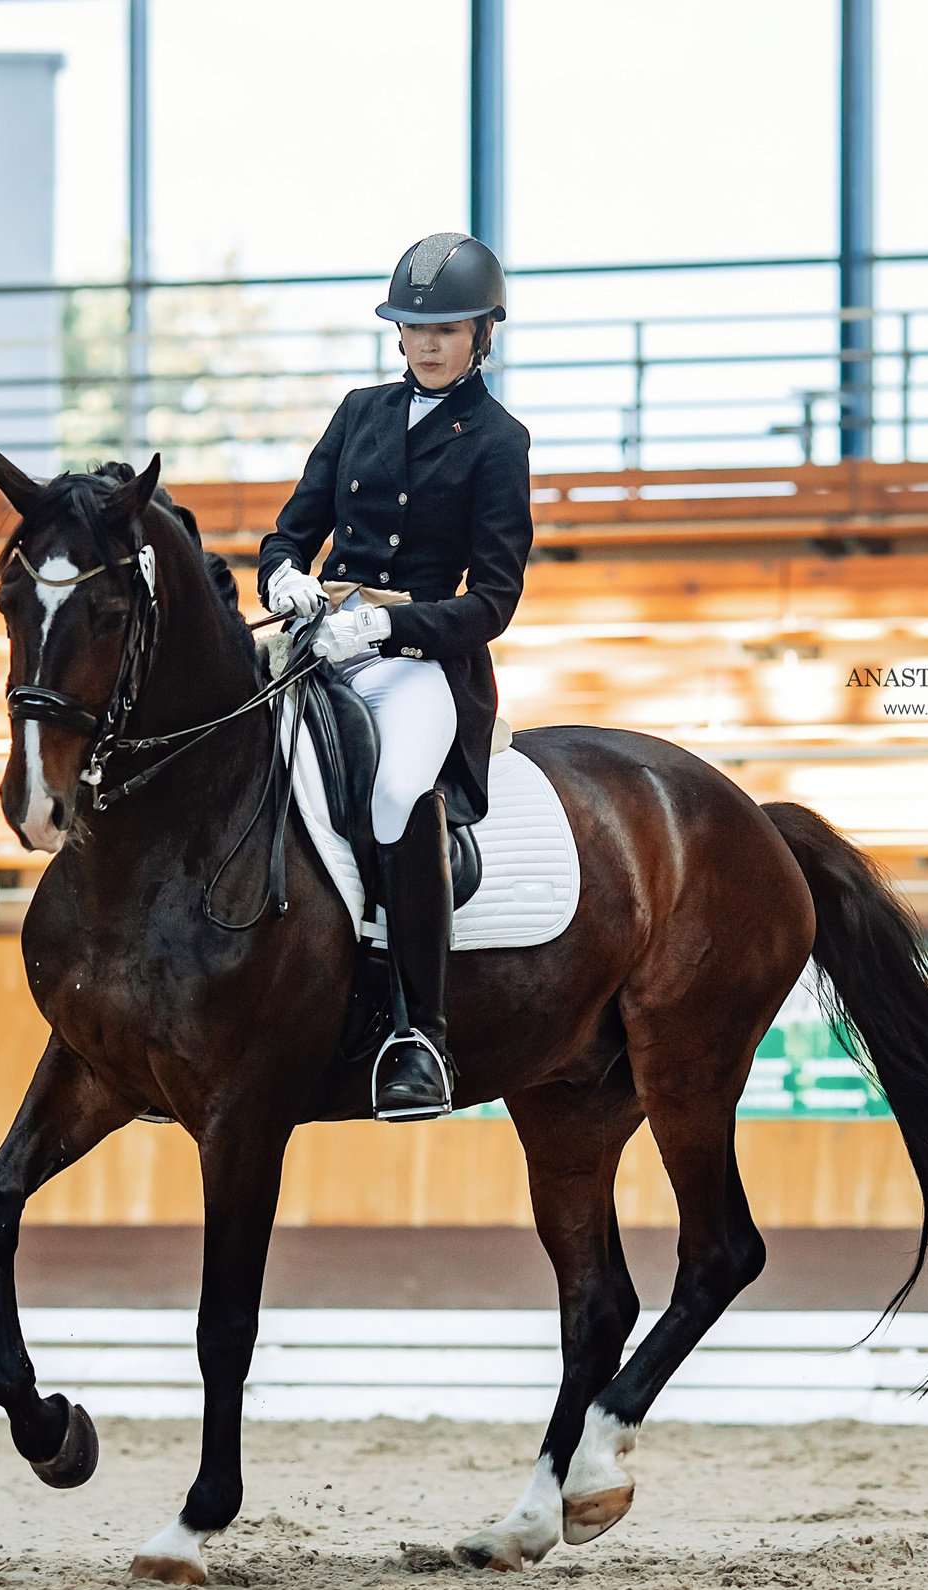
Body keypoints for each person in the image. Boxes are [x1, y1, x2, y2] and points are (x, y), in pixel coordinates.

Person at [258, 233, 534, 1121]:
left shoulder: (498, 441)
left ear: (483, 333)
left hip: (417, 665)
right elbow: (290, 527)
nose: (426, 343)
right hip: (317, 639)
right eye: (413, 326)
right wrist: (284, 576)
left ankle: (422, 1034)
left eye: (446, 328)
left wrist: (387, 623)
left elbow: (493, 599)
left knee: (397, 791)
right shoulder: (359, 411)